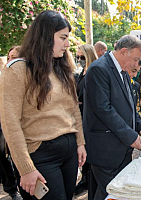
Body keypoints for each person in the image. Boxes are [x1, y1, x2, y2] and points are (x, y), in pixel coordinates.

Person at [0, 10, 87, 200]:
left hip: (69, 152)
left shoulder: (61, 68)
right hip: (40, 155)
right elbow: (10, 122)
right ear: (46, 36)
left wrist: (80, 142)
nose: (67, 43)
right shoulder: (17, 70)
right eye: (63, 37)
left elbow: (73, 109)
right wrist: (25, 168)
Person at [83, 35, 141, 200]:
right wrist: (131, 136)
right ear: (124, 51)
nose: (137, 64)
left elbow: (128, 106)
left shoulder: (121, 70)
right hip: (105, 149)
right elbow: (103, 109)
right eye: (136, 59)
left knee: (113, 192)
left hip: (120, 148)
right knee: (111, 192)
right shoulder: (99, 69)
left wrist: (140, 125)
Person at [0, 46, 23, 200]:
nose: (10, 61)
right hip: (2, 123)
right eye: (9, 57)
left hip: (20, 127)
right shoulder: (4, 76)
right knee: (2, 156)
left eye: (14, 57)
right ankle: (11, 189)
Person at [74, 44, 98, 195]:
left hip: (89, 116)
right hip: (79, 115)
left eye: (82, 57)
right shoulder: (81, 73)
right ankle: (85, 177)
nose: (79, 60)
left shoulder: (93, 72)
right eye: (77, 57)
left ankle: (88, 179)